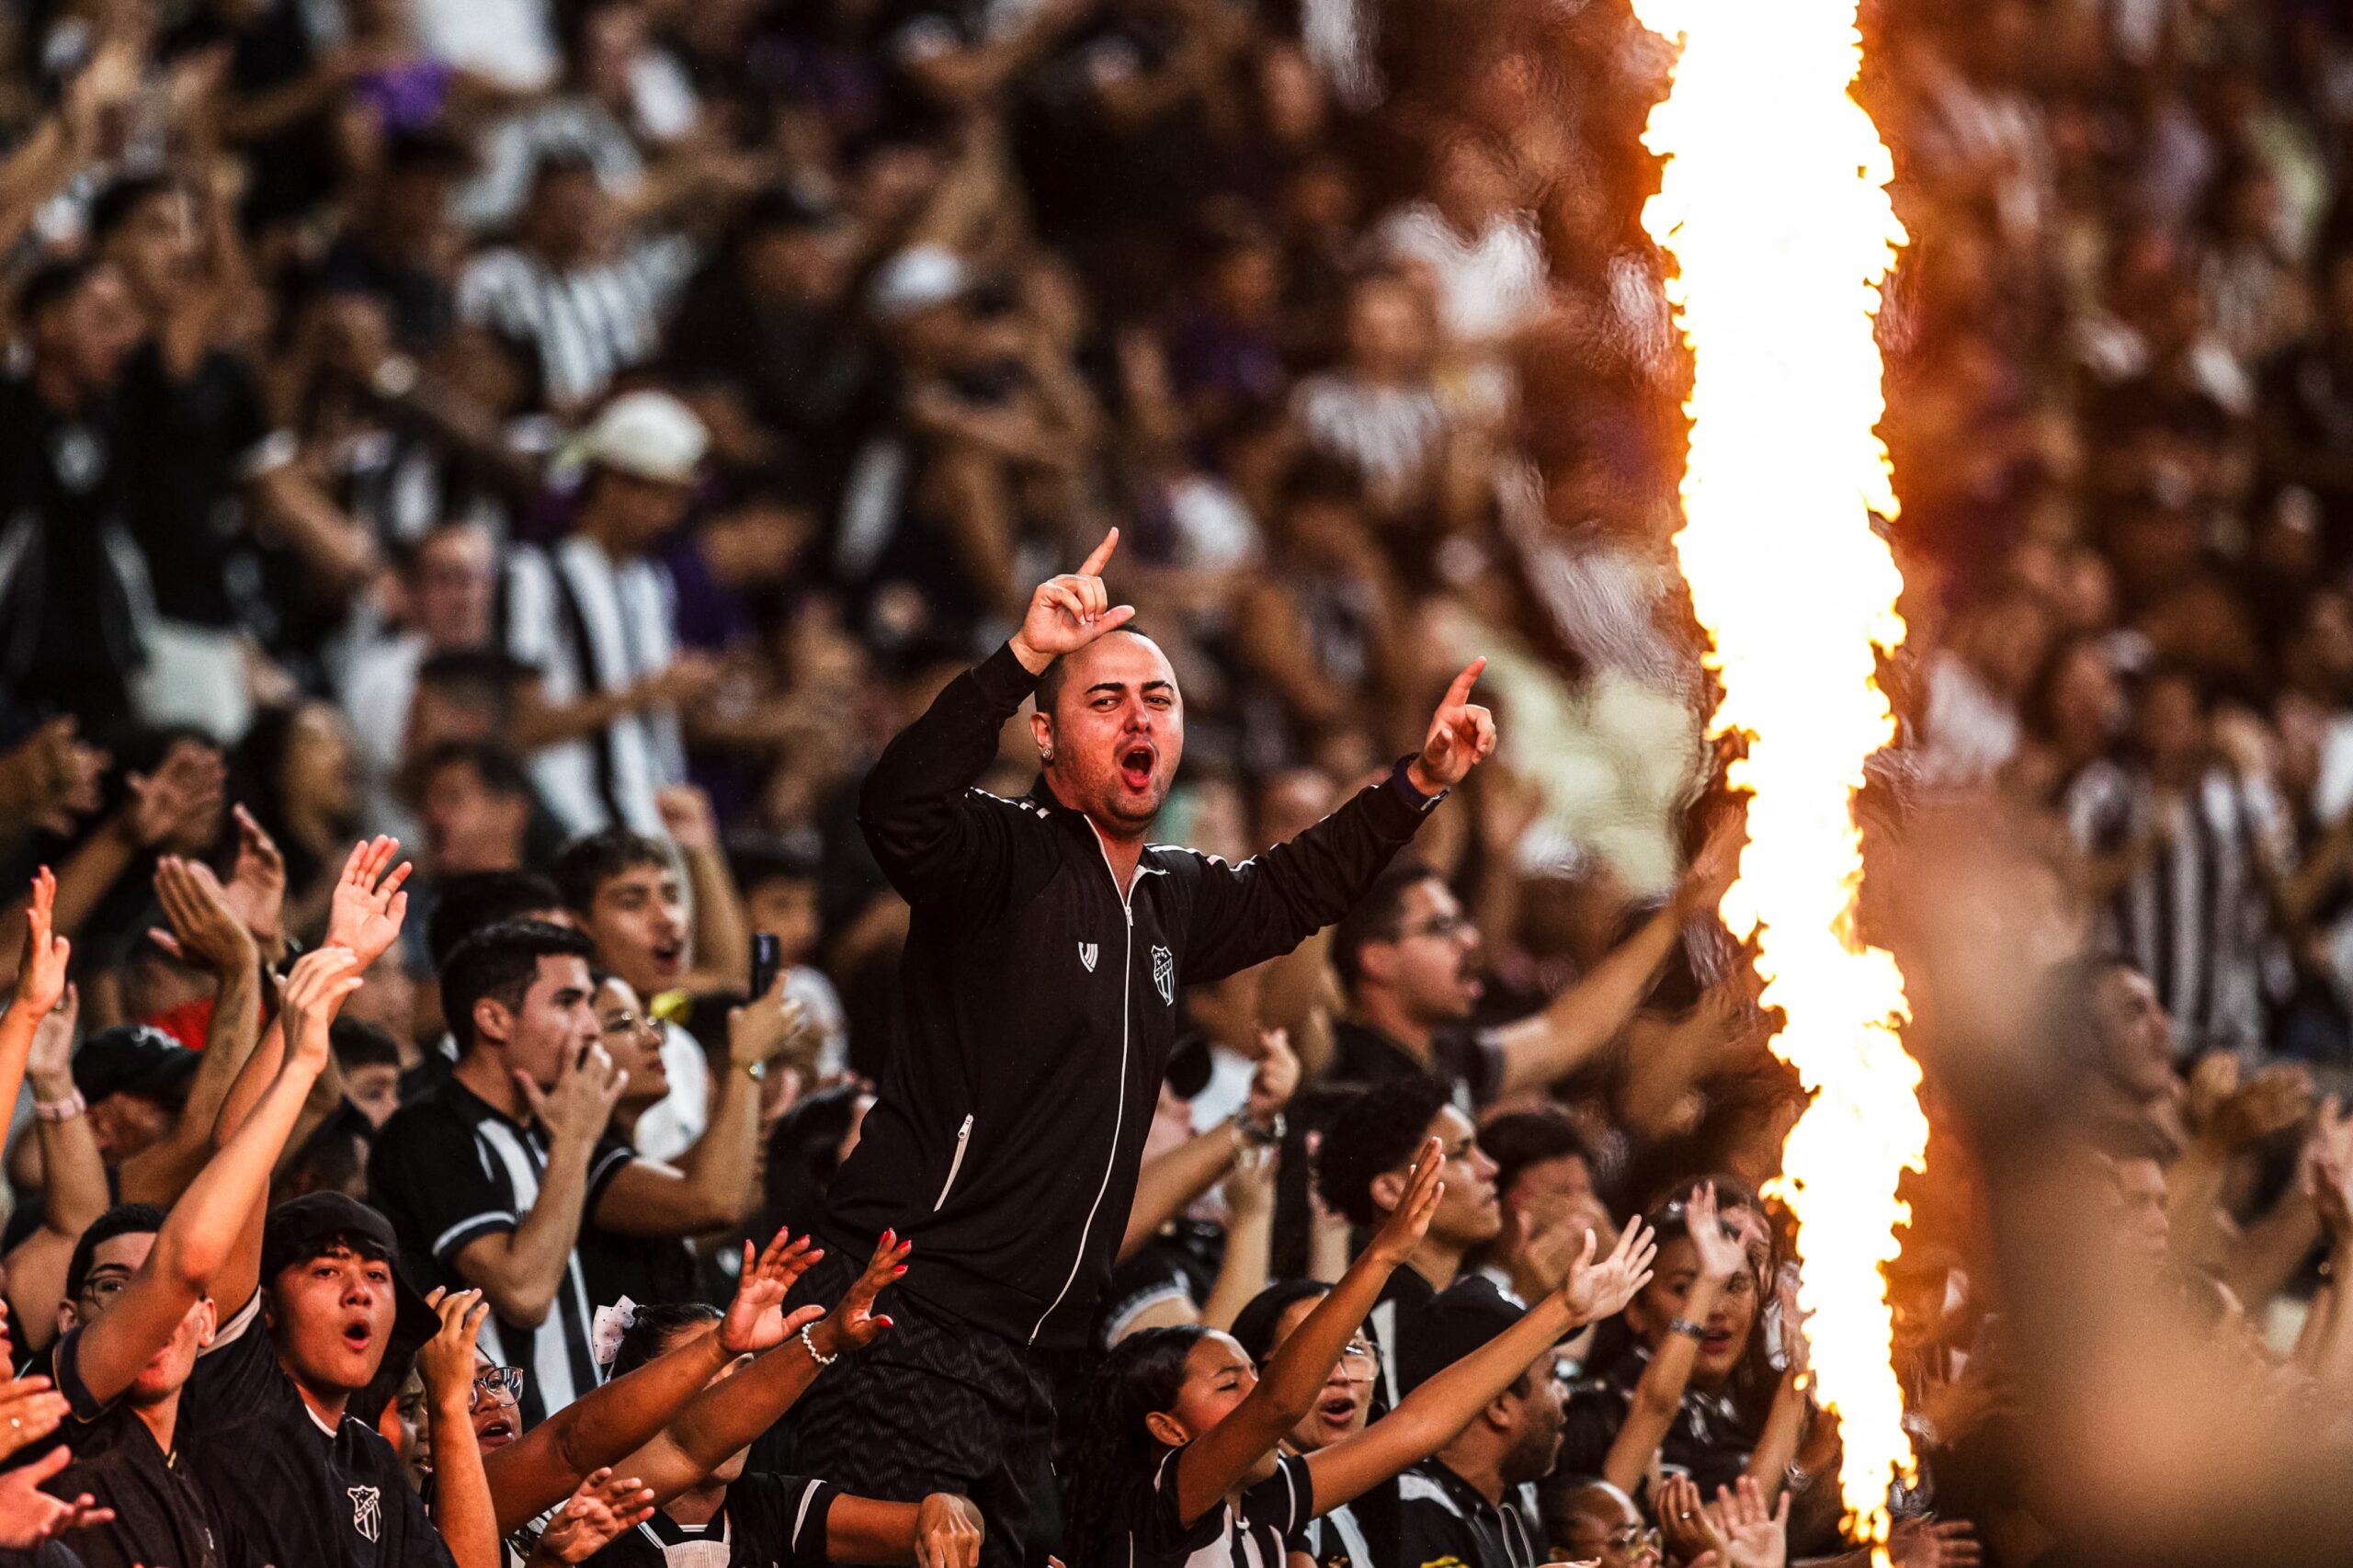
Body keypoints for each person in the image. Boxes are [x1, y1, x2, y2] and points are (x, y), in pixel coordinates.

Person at [790, 528, 1497, 1566]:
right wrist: (1019, 657)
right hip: (910, 1314)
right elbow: (895, 803)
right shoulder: (999, 853)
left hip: (1043, 1352)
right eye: (1106, 699)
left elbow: (1294, 890)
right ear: (1044, 735)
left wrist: (1416, 784)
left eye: (1158, 700)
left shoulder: (1173, 892)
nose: (1139, 719)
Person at [1063, 1145, 1655, 1568]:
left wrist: (1562, 1312)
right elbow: (1278, 1404)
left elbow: (1415, 1428)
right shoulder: (1162, 1501)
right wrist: (1382, 1257)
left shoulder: (1264, 1502)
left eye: (1252, 1374)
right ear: (1168, 1429)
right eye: (1228, 1384)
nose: (1255, 1388)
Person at [1325, 839, 1733, 1114]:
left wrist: (1676, 915)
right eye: (1441, 928)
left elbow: (1566, 1033)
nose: (1470, 939)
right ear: (1377, 959)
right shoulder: (1338, 1064)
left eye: (1462, 923)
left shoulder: (1448, 1056)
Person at [1313, 1074, 1501, 1405]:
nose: (1490, 1168)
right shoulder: (1379, 1327)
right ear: (1390, 1190)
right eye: (1460, 1154)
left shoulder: (1460, 1296)